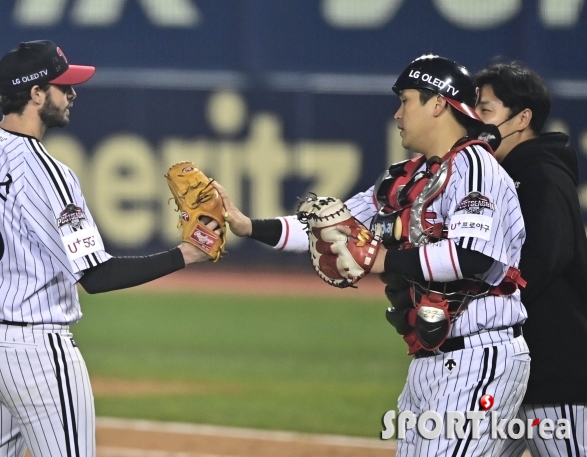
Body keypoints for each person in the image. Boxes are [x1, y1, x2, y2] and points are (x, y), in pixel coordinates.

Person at [215, 54, 530, 456]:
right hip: (431, 360)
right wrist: (246, 226)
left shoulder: (474, 166)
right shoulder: (409, 176)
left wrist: (381, 260)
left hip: (478, 356)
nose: (398, 113)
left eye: (406, 100)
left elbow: (472, 258)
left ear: (438, 103)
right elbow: (333, 228)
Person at [0, 40, 218, 457]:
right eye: (62, 86)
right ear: (36, 94)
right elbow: (97, 275)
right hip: (34, 354)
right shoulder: (51, 174)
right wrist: (187, 253)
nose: (72, 94)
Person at [474, 62, 587, 457]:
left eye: (486, 110)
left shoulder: (541, 174)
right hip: (510, 371)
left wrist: (477, 300)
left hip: (555, 374)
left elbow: (543, 259)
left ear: (522, 119)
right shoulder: (503, 176)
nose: (477, 121)